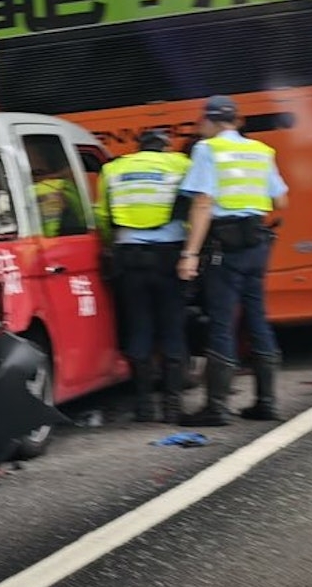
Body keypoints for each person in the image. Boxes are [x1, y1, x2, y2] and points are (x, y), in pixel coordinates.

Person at [176, 95, 290, 426]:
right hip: (257, 243)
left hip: (224, 245)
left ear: (210, 121)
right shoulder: (261, 151)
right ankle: (266, 402)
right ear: (236, 121)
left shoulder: (207, 149)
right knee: (257, 317)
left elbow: (202, 202)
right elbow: (281, 200)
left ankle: (217, 407)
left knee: (222, 321)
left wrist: (190, 253)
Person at [97, 130, 193, 422]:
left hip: (129, 256)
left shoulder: (113, 169)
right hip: (170, 256)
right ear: (165, 148)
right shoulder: (180, 165)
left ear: (138, 147)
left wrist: (110, 244)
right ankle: (172, 406)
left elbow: (102, 215)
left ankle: (143, 406)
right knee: (172, 327)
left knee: (139, 326)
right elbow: (193, 208)